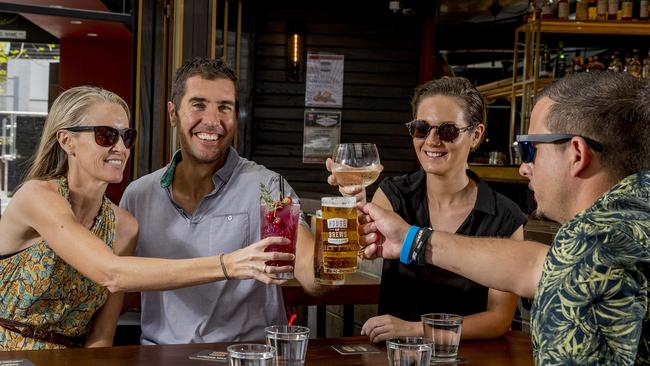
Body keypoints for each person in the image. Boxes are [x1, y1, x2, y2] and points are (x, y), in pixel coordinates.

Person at [358, 72, 650, 365]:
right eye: (421, 128)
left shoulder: (594, 243)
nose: (524, 168)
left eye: (529, 149)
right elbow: (536, 265)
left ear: (577, 153)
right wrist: (411, 240)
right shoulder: (632, 213)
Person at [0, 86, 293, 351]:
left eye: (126, 136)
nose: (120, 148)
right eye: (105, 135)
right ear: (67, 141)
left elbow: (102, 336)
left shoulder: (124, 226)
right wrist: (229, 264)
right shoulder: (37, 197)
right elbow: (112, 273)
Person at [120, 57, 320, 345]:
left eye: (224, 107)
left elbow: (311, 276)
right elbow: (117, 284)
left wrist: (338, 244)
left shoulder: (268, 186)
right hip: (160, 357)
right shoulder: (138, 195)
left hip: (246, 356)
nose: (213, 121)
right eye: (199, 105)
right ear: (173, 113)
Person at [328, 77, 526, 342]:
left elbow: (498, 319)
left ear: (476, 135)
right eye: (421, 128)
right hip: (398, 356)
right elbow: (361, 252)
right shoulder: (394, 194)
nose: (432, 141)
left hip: (472, 356)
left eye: (447, 131)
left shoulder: (505, 216)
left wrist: (414, 330)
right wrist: (354, 205)